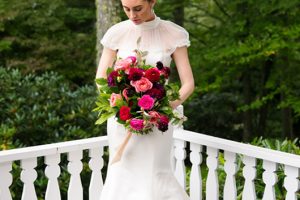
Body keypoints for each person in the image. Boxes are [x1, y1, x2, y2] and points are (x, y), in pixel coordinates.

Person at [96, 0, 194, 199]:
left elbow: (188, 84)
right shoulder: (116, 33)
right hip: (123, 120)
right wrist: (123, 104)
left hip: (156, 122)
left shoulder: (173, 34)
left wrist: (162, 108)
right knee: (122, 172)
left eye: (138, 8)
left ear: (153, 1)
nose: (132, 15)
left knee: (155, 173)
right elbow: (101, 81)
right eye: (126, 9)